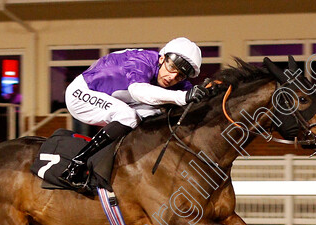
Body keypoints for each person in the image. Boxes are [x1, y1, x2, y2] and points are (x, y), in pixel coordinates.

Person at [59, 37, 209, 188]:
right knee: (128, 116)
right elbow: (138, 91)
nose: (172, 77)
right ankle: (77, 163)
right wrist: (181, 96)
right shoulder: (141, 61)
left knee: (155, 114)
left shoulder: (175, 78)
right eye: (172, 68)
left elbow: (192, 99)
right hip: (81, 94)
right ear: (162, 58)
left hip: (115, 98)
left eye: (180, 76)